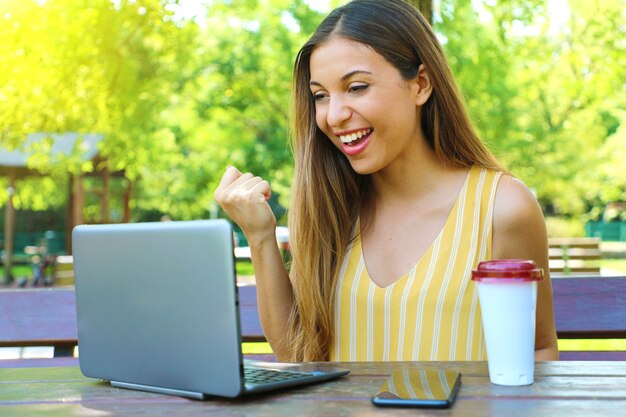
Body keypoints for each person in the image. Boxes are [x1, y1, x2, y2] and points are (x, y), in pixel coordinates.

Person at [214, 0, 559, 362]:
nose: (334, 115)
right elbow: (296, 355)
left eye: (357, 87)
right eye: (321, 95)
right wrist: (260, 237)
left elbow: (537, 350)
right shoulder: (329, 210)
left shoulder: (502, 208)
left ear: (421, 85)